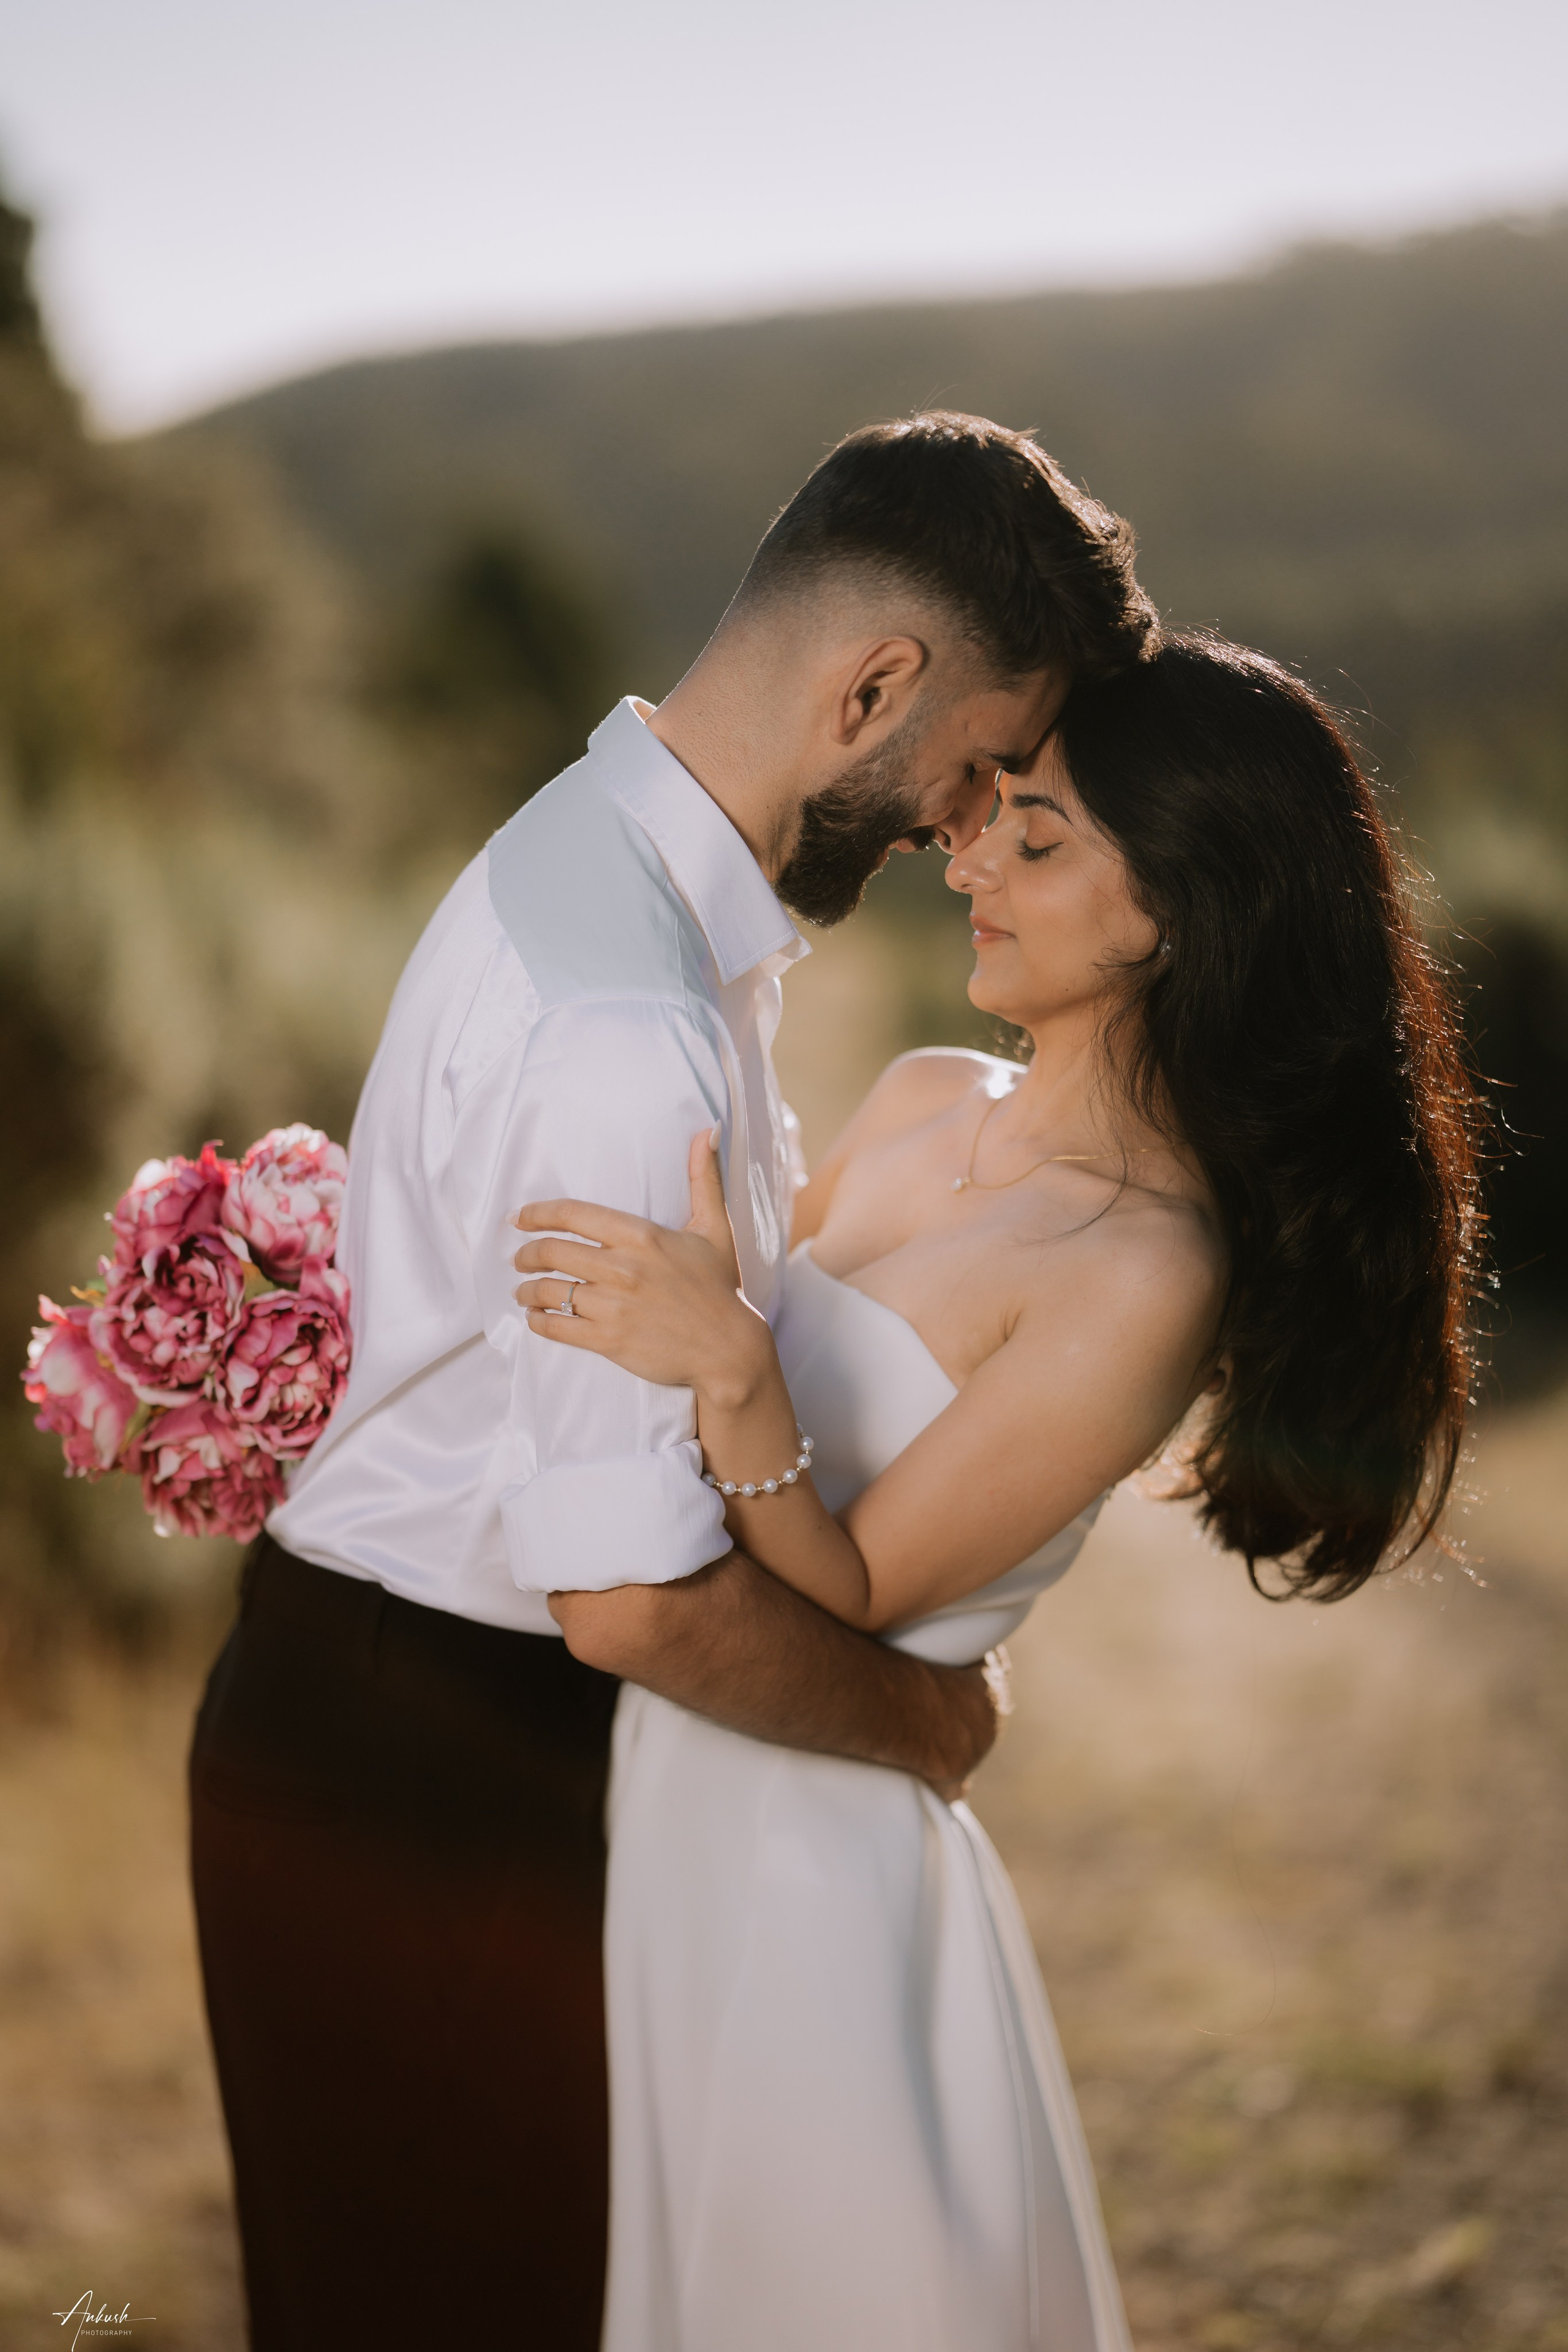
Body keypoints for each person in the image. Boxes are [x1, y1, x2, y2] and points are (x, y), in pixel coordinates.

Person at [186, 412, 1159, 2350]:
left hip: (394, 1719)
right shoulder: (633, 1018)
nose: (958, 828)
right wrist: (924, 1727)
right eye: (968, 767)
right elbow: (630, 1599)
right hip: (435, 1768)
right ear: (870, 684)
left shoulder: (601, 862)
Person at [513, 632, 1484, 2351]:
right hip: (675, 1804)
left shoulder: (1144, 1269)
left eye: (1039, 844)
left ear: (1175, 912)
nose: (969, 864)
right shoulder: (913, 1099)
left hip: (825, 1871)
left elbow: (860, 1588)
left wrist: (732, 1364)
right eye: (989, 823)